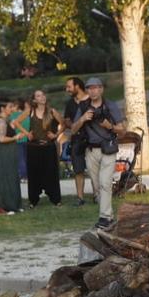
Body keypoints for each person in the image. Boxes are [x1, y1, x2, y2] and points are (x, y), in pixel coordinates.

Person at [72, 77, 126, 228]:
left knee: (105, 183)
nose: (93, 91)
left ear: (101, 89)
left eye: (96, 88)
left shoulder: (110, 106)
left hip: (108, 148)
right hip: (91, 150)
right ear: (87, 91)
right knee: (97, 186)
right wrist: (82, 119)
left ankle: (105, 217)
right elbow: (73, 130)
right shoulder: (83, 107)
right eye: (90, 88)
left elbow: (122, 131)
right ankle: (109, 217)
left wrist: (110, 127)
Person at [25, 89, 64, 207]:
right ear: (34, 100)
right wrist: (26, 134)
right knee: (33, 174)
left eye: (43, 95)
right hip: (34, 147)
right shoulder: (30, 111)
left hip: (48, 147)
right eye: (38, 96)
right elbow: (16, 122)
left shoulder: (51, 111)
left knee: (51, 173)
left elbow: (63, 124)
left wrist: (56, 135)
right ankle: (33, 200)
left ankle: (56, 199)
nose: (42, 97)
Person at [0, 98, 23, 214]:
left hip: (9, 152)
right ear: (2, 109)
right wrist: (15, 137)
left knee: (12, 177)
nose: (12, 109)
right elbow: (1, 139)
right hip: (3, 152)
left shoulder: (7, 120)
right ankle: (4, 206)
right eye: (10, 107)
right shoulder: (0, 121)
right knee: (4, 178)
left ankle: (14, 204)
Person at [62, 77, 91, 206]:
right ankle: (80, 197)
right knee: (78, 170)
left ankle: (97, 195)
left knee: (94, 169)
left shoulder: (91, 100)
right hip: (76, 139)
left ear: (77, 86)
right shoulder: (70, 103)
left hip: (91, 139)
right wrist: (70, 124)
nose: (67, 89)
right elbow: (67, 120)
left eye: (69, 86)